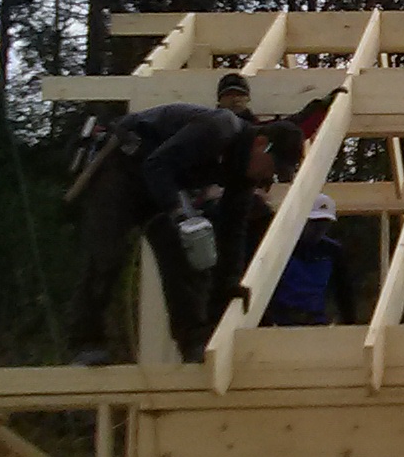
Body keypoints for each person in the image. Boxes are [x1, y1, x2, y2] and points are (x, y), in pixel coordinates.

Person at [69, 105, 303, 365]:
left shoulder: (242, 174)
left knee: (185, 253)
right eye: (273, 167)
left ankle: (194, 340)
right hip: (123, 168)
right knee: (106, 254)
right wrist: (179, 211)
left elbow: (233, 231)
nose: (269, 177)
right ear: (261, 143)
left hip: (162, 184)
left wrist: (229, 283)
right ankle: (85, 342)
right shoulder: (219, 129)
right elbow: (157, 165)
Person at [263, 190, 361, 327]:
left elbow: (344, 292)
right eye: (314, 222)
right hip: (281, 321)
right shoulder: (282, 247)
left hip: (315, 321)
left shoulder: (332, 251)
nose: (319, 228)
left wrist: (350, 325)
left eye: (324, 223)